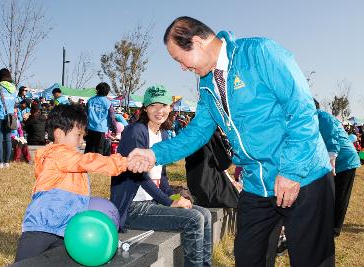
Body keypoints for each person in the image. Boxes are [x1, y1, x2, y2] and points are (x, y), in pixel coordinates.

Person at [127, 17, 334, 266]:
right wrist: (153, 154)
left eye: (179, 58)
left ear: (197, 42)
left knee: (311, 259)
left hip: (303, 176)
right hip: (257, 186)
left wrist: (291, 171)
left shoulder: (259, 53)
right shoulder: (206, 85)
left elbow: (301, 110)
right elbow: (197, 132)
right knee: (247, 257)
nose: (181, 67)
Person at [111, 85, 212, 267]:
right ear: (145, 108)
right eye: (154, 105)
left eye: (164, 105)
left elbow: (162, 176)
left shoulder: (163, 134)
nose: (159, 110)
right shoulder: (136, 131)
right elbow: (140, 176)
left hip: (153, 202)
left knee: (205, 213)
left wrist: (173, 196)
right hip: (134, 208)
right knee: (194, 219)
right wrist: (169, 202)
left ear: (170, 108)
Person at [14, 104, 129, 262]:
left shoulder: (68, 157)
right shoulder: (58, 154)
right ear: (59, 134)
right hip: (42, 227)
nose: (82, 141)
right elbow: (89, 161)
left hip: (64, 229)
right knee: (24, 263)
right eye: (78, 135)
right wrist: (123, 162)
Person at [315, 99, 361, 237]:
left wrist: (331, 162)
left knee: (340, 196)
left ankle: (335, 229)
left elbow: (332, 138)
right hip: (333, 160)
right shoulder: (311, 118)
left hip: (345, 160)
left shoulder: (322, 116)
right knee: (329, 194)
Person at [85, 82, 117, 154]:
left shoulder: (90, 101)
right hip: (101, 129)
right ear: (107, 92)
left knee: (89, 149)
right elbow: (112, 117)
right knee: (99, 150)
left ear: (97, 90)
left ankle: (86, 164)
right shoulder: (108, 102)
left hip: (90, 128)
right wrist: (115, 128)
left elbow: (85, 114)